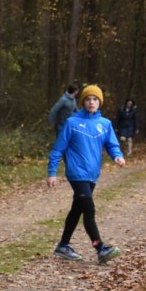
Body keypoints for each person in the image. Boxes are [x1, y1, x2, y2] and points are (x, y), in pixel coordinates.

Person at [48, 84, 125, 264]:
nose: (91, 102)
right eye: (88, 99)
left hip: (92, 174)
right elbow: (58, 149)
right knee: (89, 210)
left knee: (77, 209)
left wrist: (117, 155)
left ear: (100, 102)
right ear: (82, 102)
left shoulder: (105, 124)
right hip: (77, 173)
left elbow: (112, 145)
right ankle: (100, 248)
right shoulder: (72, 123)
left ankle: (63, 246)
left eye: (95, 99)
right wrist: (52, 172)